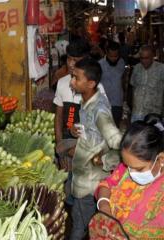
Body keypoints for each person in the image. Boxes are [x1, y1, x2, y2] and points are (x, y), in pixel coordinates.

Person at [69, 57, 122, 240]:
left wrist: (105, 159)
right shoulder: (87, 101)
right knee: (85, 222)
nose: (72, 81)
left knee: (79, 226)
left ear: (91, 83)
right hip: (84, 176)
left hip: (90, 182)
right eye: (72, 76)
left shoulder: (99, 111)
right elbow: (94, 134)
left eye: (76, 78)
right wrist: (76, 131)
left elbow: (119, 143)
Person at [93, 114, 164, 239]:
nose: (130, 172)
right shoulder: (128, 166)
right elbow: (107, 184)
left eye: (138, 169)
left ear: (161, 159)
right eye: (127, 165)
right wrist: (104, 204)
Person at [53, 39, 106, 183]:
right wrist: (60, 152)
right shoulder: (62, 83)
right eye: (69, 58)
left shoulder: (96, 88)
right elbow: (58, 118)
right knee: (68, 190)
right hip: (67, 149)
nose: (70, 64)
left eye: (75, 60)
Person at [129, 45, 164, 122]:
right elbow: (133, 88)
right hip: (136, 113)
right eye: (142, 58)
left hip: (154, 115)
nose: (144, 61)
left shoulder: (161, 69)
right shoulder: (136, 68)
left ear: (152, 57)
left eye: (147, 58)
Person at [99, 41, 126, 127]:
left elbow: (123, 80)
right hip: (103, 103)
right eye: (111, 56)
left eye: (116, 56)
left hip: (117, 103)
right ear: (106, 53)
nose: (114, 58)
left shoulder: (122, 63)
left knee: (115, 128)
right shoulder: (100, 65)